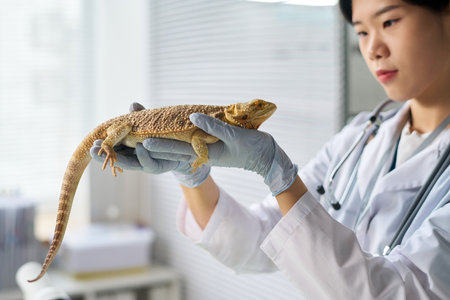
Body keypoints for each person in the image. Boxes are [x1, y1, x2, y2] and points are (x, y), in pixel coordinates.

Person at [91, 0, 450, 298]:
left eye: (389, 21)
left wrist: (277, 173)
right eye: (361, 31)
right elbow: (259, 240)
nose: (373, 49)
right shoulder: (361, 137)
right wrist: (192, 172)